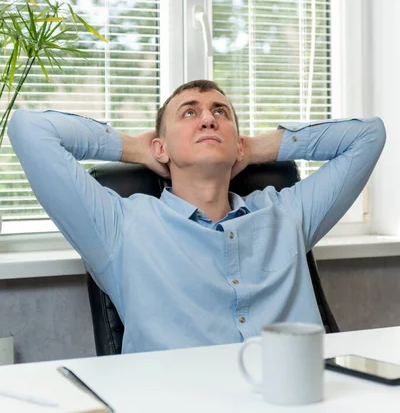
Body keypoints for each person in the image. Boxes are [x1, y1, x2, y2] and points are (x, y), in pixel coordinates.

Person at [8, 79, 385, 354]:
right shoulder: (120, 227)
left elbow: (369, 135)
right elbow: (30, 128)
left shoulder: (288, 213)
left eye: (220, 112)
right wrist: (135, 149)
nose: (208, 120)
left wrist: (251, 147)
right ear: (161, 147)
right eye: (190, 112)